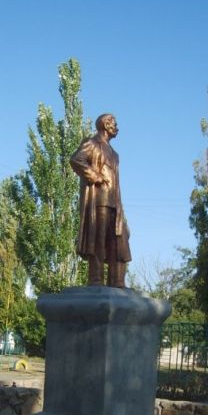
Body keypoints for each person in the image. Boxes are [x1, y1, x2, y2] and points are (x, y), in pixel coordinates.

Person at [70, 113, 131, 288]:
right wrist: (94, 176)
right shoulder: (92, 143)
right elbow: (76, 160)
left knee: (119, 238)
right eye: (114, 123)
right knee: (98, 238)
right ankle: (96, 279)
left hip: (114, 202)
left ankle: (116, 281)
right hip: (99, 200)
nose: (117, 127)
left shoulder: (114, 153)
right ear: (105, 125)